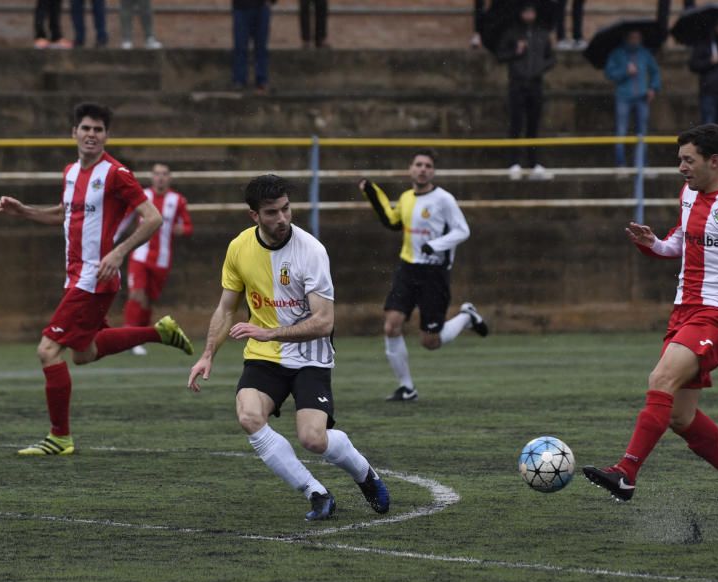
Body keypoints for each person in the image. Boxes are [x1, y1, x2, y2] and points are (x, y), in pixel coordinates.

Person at [582, 124, 718, 527]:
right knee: (679, 417)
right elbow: (680, 243)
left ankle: (626, 473)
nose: (680, 168)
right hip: (683, 313)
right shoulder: (689, 193)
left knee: (660, 381)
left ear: (714, 161)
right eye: (680, 160)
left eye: (688, 160)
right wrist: (653, 243)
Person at [187, 175, 391, 522]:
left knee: (312, 438)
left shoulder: (311, 250)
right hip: (265, 357)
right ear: (254, 216)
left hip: (310, 355)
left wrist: (271, 333)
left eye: (286, 209)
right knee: (249, 416)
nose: (282, 218)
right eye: (271, 212)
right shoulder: (238, 248)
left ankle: (364, 473)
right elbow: (225, 308)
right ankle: (316, 493)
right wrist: (207, 354)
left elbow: (324, 321)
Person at [0, 102, 194, 456]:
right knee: (83, 354)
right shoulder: (70, 171)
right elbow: (63, 214)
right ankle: (158, 332)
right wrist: (24, 210)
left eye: (98, 130)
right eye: (85, 128)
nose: (91, 135)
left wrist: (118, 253)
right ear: (74, 132)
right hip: (75, 277)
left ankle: (60, 437)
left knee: (47, 350)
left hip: (95, 277)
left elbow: (151, 218)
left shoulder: (116, 173)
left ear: (106, 136)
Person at [357, 150, 489, 402]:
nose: (422, 169)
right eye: (418, 164)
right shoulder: (406, 197)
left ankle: (466, 316)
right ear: (410, 169)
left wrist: (436, 245)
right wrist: (371, 193)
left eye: (428, 165)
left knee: (431, 341)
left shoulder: (444, 199)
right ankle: (407, 388)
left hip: (434, 273)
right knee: (391, 325)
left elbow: (463, 231)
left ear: (433, 172)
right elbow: (392, 221)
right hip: (408, 268)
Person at [118, 163, 194, 355]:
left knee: (148, 301)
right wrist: (111, 239)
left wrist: (181, 230)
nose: (160, 178)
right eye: (157, 174)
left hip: (161, 260)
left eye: (164, 174)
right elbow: (125, 219)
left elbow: (187, 226)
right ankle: (129, 338)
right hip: (140, 255)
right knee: (137, 294)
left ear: (169, 178)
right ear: (152, 177)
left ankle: (139, 337)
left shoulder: (178, 200)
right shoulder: (142, 196)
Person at [496, 3, 557, 180]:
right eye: (526, 11)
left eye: (531, 11)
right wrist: (516, 52)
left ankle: (533, 163)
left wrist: (539, 67)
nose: (529, 15)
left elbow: (551, 58)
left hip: (535, 84)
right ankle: (514, 162)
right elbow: (501, 55)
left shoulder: (542, 34)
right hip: (517, 84)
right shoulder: (512, 33)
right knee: (516, 124)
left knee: (534, 125)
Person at [605, 29, 661, 168]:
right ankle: (620, 163)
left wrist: (653, 88)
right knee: (621, 131)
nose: (635, 40)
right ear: (627, 38)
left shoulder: (645, 53)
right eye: (632, 37)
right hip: (623, 97)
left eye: (637, 37)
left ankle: (641, 163)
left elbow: (655, 72)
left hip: (642, 97)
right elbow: (609, 73)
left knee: (642, 132)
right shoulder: (617, 53)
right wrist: (625, 71)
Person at [233, 0, 276, 93]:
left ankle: (262, 81)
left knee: (261, 47)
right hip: (241, 7)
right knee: (240, 46)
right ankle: (239, 80)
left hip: (262, 7)